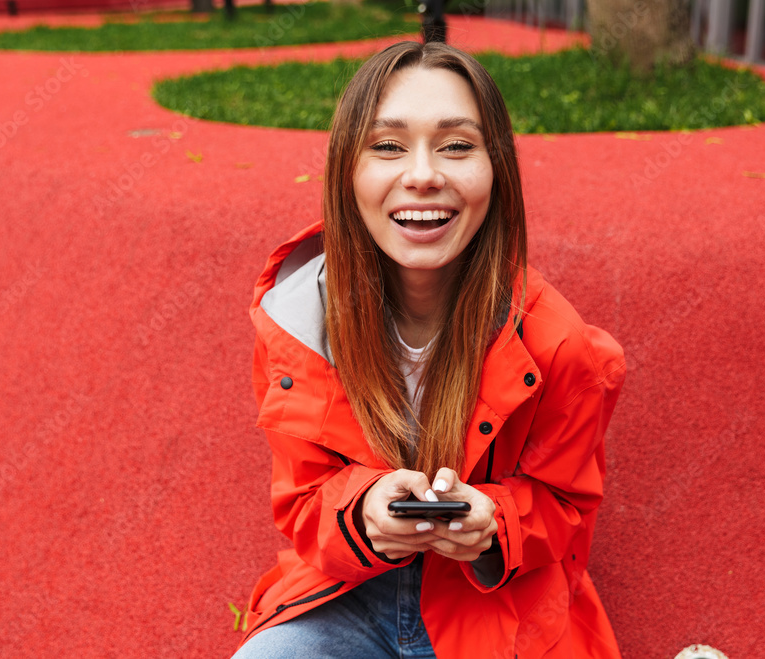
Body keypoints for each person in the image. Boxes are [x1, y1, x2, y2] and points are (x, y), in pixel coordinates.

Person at [232, 41, 626, 658]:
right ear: (346, 170)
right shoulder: (296, 326)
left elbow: (567, 508)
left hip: (497, 612)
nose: (423, 174)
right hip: (348, 598)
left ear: (497, 170)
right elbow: (302, 504)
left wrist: (492, 521)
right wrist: (363, 513)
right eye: (387, 146)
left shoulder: (561, 344)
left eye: (457, 146)